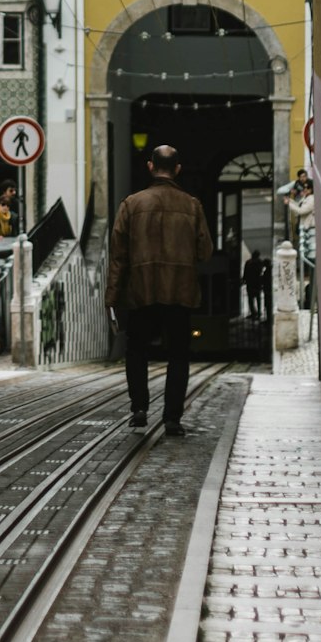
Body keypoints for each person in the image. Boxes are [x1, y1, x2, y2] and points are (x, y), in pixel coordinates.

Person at [105, 144, 214, 439]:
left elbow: (118, 256)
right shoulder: (192, 206)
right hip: (180, 293)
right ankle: (172, 418)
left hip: (141, 293)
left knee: (137, 349)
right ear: (177, 169)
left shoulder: (131, 204)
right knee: (178, 354)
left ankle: (139, 408)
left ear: (150, 167)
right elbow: (205, 252)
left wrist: (112, 297)